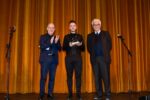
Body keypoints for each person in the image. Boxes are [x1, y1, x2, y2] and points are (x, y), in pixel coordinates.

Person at [87, 19, 112, 100]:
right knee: (97, 77)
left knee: (106, 77)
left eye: (97, 24)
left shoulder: (106, 34)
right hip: (94, 59)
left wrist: (105, 54)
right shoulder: (89, 36)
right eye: (94, 24)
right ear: (92, 26)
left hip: (104, 59)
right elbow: (89, 48)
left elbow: (109, 46)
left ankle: (108, 94)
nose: (96, 26)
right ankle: (99, 94)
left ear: (100, 25)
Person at [63, 20, 85, 100]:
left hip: (78, 59)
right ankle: (70, 94)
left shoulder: (80, 36)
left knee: (78, 76)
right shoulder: (66, 37)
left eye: (74, 25)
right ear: (69, 27)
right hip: (68, 59)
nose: (72, 27)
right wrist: (68, 45)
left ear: (76, 27)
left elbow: (83, 49)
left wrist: (80, 45)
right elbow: (63, 48)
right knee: (69, 76)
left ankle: (78, 94)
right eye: (71, 25)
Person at [39, 23, 61, 100]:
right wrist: (50, 42)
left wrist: (56, 42)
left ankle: (50, 93)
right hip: (45, 60)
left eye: (53, 28)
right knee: (43, 77)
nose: (51, 29)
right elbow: (42, 46)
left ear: (54, 29)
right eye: (50, 27)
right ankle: (41, 94)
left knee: (52, 78)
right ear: (47, 28)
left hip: (54, 61)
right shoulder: (43, 37)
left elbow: (59, 49)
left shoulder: (56, 37)